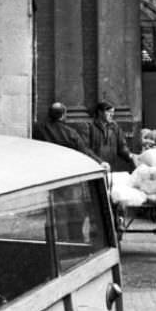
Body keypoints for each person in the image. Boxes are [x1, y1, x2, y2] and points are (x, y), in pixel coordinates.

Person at [32, 101, 109, 240]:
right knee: (75, 211)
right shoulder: (70, 133)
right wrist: (100, 162)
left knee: (56, 212)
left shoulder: (38, 129)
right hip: (69, 176)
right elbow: (84, 150)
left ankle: (58, 241)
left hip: (49, 177)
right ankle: (75, 241)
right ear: (64, 115)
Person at [88, 101, 137, 172]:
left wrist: (130, 156)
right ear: (100, 112)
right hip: (96, 167)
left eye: (113, 112)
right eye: (108, 112)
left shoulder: (115, 127)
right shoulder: (90, 127)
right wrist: (99, 162)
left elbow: (122, 147)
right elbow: (87, 149)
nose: (112, 115)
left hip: (111, 166)